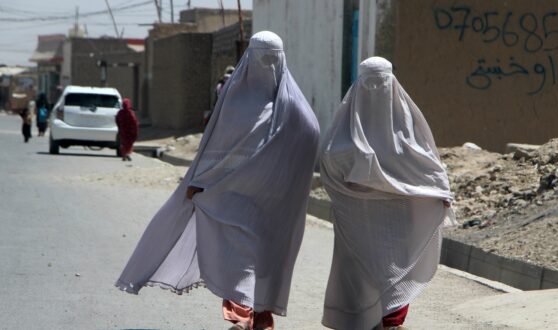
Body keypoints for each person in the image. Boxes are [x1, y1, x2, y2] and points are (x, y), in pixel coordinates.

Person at [115, 31, 320, 330]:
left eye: (270, 58)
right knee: (242, 261)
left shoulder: (289, 110)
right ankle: (243, 317)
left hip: (268, 205)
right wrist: (202, 182)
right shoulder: (242, 104)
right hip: (235, 201)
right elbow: (216, 149)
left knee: (261, 263)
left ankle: (257, 317)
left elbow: (306, 143)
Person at [319, 57, 456, 330]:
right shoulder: (398, 125)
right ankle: (375, 321)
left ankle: (392, 322)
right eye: (371, 82)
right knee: (369, 270)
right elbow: (329, 161)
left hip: (374, 214)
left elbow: (426, 165)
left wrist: (440, 191)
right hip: (362, 216)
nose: (375, 89)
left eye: (380, 82)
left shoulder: (401, 125)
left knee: (393, 268)